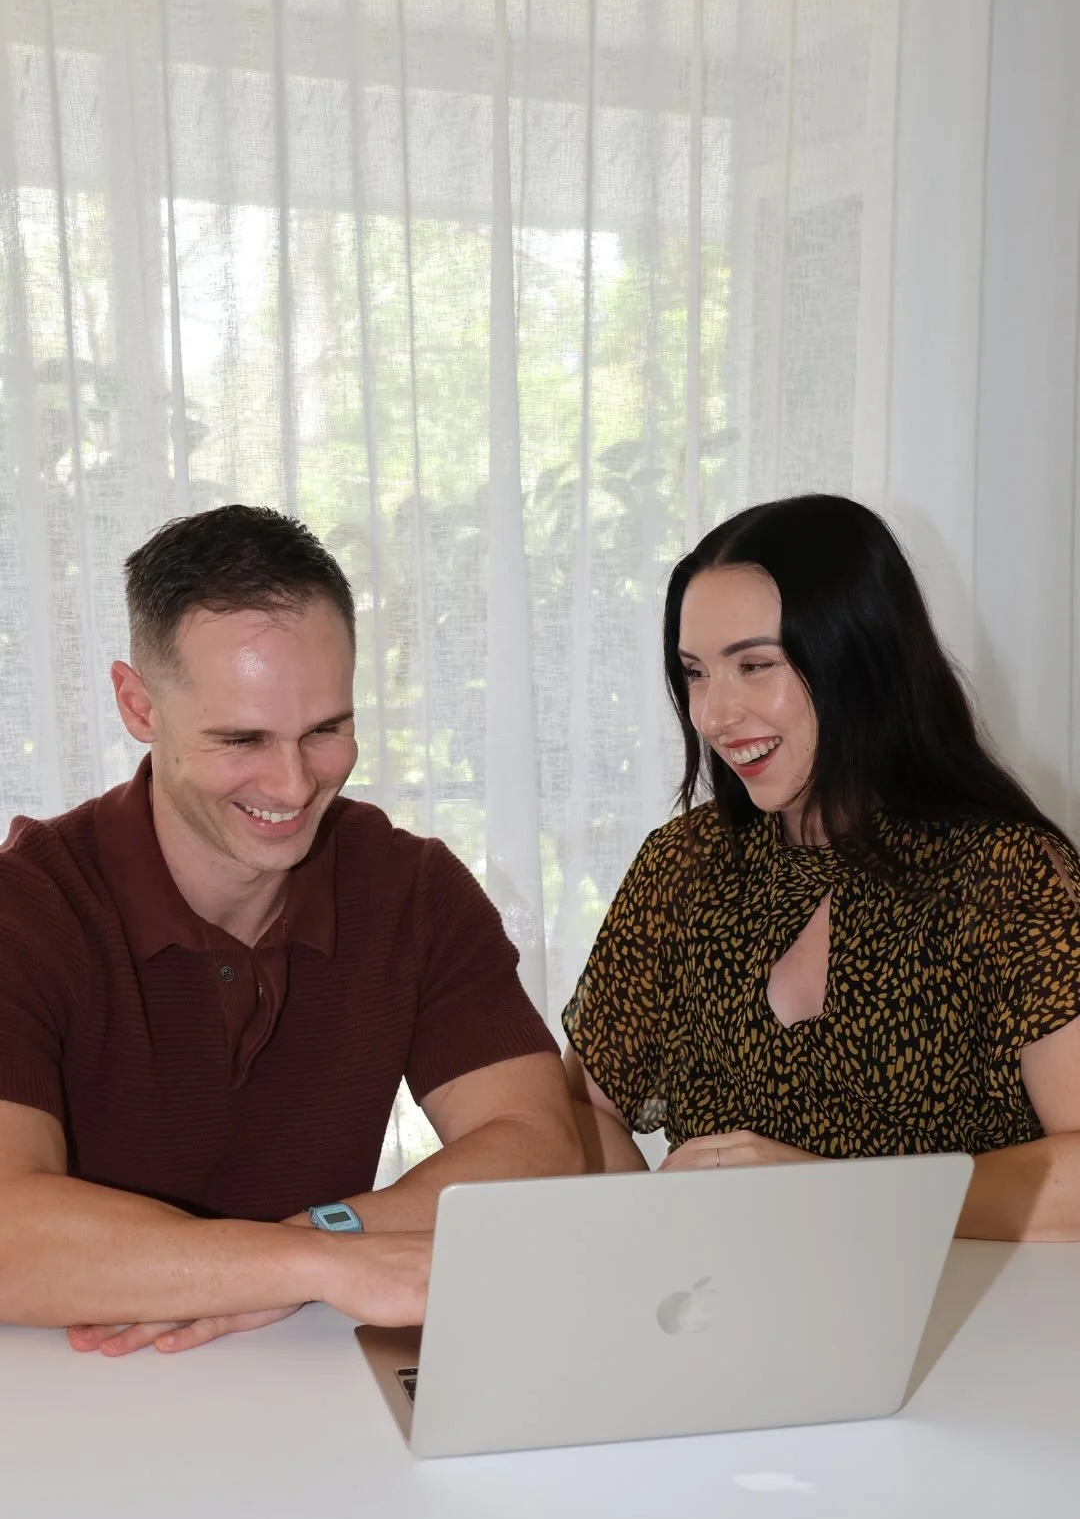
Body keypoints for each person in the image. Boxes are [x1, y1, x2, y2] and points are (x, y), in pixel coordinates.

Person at [0, 505, 582, 1356]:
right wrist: (301, 1265)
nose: (293, 784)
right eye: (241, 738)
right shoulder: (26, 907)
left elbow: (537, 1148)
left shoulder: (412, 888)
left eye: (325, 731)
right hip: (68, 1393)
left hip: (316, 1380)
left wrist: (315, 1244)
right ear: (138, 705)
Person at [563, 493, 1080, 1241]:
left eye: (754, 665)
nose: (712, 716)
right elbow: (580, 1111)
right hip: (729, 1302)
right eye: (696, 673)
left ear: (859, 658)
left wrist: (826, 1197)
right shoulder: (682, 868)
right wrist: (661, 1243)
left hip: (960, 1310)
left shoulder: (1008, 875)